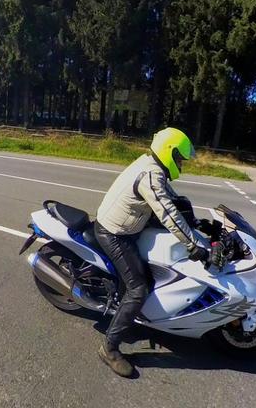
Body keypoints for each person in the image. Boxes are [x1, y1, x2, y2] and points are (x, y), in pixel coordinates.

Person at [94, 127, 211, 377]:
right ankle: (109, 347)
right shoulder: (150, 175)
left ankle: (128, 317)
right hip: (115, 233)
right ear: (169, 152)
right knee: (139, 287)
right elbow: (168, 214)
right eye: (179, 158)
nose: (181, 163)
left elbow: (171, 201)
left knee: (145, 276)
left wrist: (197, 222)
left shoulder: (153, 167)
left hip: (130, 226)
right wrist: (194, 245)